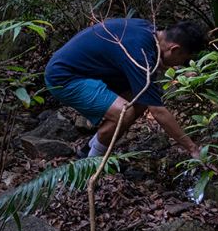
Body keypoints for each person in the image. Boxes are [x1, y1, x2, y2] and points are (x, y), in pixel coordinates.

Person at [44, 18, 207, 159]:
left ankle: (89, 149)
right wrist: (192, 148)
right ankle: (90, 166)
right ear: (175, 49)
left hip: (89, 71)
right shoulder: (140, 52)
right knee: (123, 112)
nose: (180, 64)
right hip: (64, 77)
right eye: (183, 59)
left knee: (141, 100)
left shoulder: (147, 30)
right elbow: (158, 111)